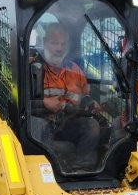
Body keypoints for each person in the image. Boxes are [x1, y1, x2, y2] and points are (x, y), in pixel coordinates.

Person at [38, 22, 101, 169]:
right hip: (42, 122)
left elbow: (84, 96)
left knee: (92, 126)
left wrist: (91, 103)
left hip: (69, 122)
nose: (59, 48)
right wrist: (43, 102)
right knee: (37, 125)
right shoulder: (32, 68)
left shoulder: (74, 69)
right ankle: (45, 168)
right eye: (54, 43)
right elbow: (20, 100)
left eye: (63, 44)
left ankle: (79, 168)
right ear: (45, 42)